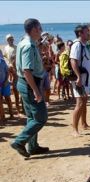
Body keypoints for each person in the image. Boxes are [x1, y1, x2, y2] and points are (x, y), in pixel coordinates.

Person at [11, 18, 49, 158]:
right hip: (29, 83)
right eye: (39, 28)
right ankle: (19, 141)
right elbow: (27, 70)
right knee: (40, 118)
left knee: (32, 117)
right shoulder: (29, 46)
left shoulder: (24, 42)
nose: (41, 30)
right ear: (34, 30)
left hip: (25, 82)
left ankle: (32, 146)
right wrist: (36, 90)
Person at [70, 24, 90, 136]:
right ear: (80, 33)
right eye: (86, 32)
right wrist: (78, 76)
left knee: (84, 101)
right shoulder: (77, 45)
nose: (88, 33)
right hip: (80, 79)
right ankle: (74, 129)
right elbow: (73, 61)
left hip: (85, 79)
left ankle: (84, 123)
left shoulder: (84, 45)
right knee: (79, 103)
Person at [4, 34, 23, 116]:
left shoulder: (16, 47)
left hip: (17, 70)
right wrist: (9, 66)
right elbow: (5, 57)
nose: (11, 40)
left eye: (11, 38)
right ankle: (16, 110)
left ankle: (20, 109)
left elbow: (19, 59)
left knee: (18, 91)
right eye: (9, 39)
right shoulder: (5, 48)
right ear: (7, 40)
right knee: (14, 91)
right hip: (9, 69)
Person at [0, 50, 14, 124]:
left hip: (5, 82)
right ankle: (3, 117)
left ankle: (11, 114)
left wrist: (5, 81)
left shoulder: (2, 61)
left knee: (8, 98)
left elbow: (7, 72)